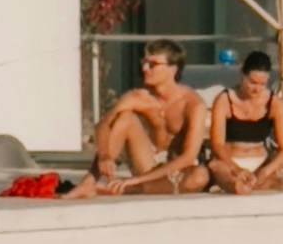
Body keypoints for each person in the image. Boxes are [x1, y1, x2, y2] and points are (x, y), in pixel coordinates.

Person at [87, 40, 208, 195]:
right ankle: (91, 181)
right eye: (144, 63)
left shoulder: (193, 104)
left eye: (153, 64)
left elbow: (188, 156)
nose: (145, 68)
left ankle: (128, 188)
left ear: (172, 69)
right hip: (147, 163)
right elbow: (103, 124)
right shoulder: (137, 97)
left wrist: (136, 180)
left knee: (199, 176)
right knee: (125, 118)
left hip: (175, 170)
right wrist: (105, 155)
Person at [201, 49, 283, 194]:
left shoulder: (274, 103)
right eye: (252, 83)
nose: (257, 89)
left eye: (262, 84)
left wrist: (265, 171)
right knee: (220, 170)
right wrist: (237, 169)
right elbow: (217, 144)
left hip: (261, 162)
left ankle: (254, 183)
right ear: (242, 76)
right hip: (231, 162)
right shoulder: (224, 100)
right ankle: (240, 183)